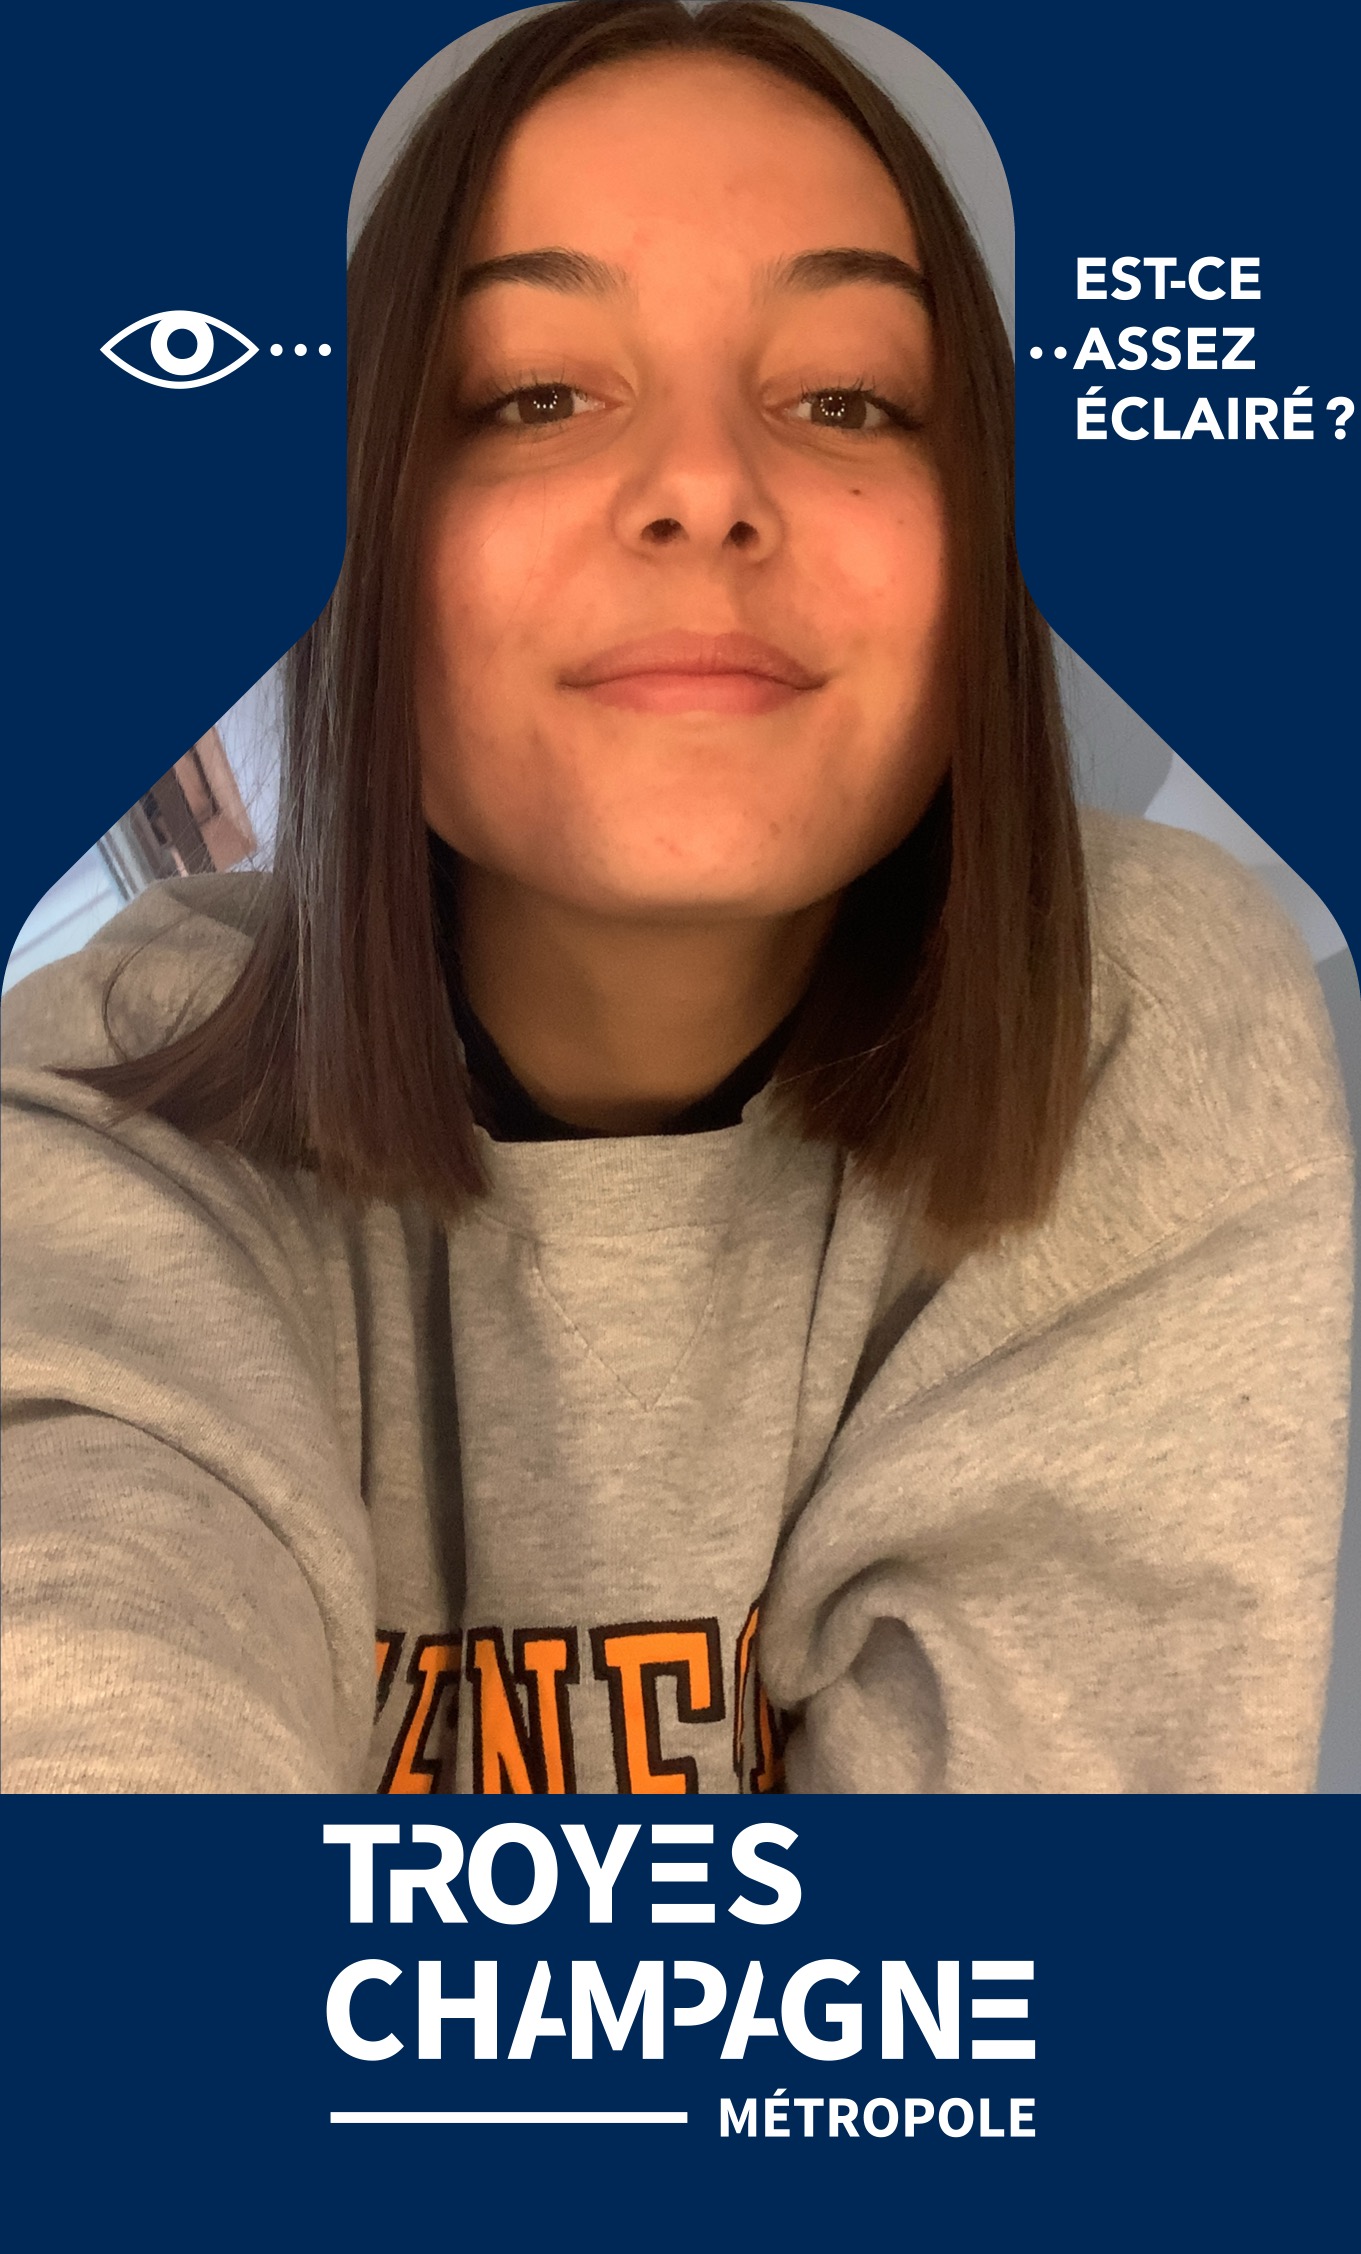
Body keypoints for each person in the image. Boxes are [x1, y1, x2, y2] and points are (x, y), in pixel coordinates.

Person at [1, 0, 1352, 1795]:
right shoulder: (93, 1100)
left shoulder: (1139, 1015)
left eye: (848, 399)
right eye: (533, 395)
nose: (705, 488)